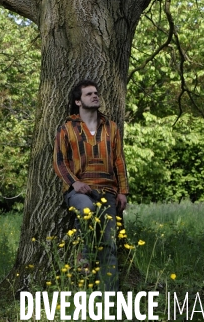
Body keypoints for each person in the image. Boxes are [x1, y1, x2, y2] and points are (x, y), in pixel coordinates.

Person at [53, 79, 129, 291]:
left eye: (96, 93)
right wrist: (74, 183)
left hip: (108, 191)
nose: (95, 96)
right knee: (87, 210)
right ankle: (83, 257)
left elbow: (119, 161)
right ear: (78, 101)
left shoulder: (111, 128)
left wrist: (123, 191)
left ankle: (109, 298)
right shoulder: (67, 129)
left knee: (109, 245)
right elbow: (59, 162)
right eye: (89, 94)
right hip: (78, 191)